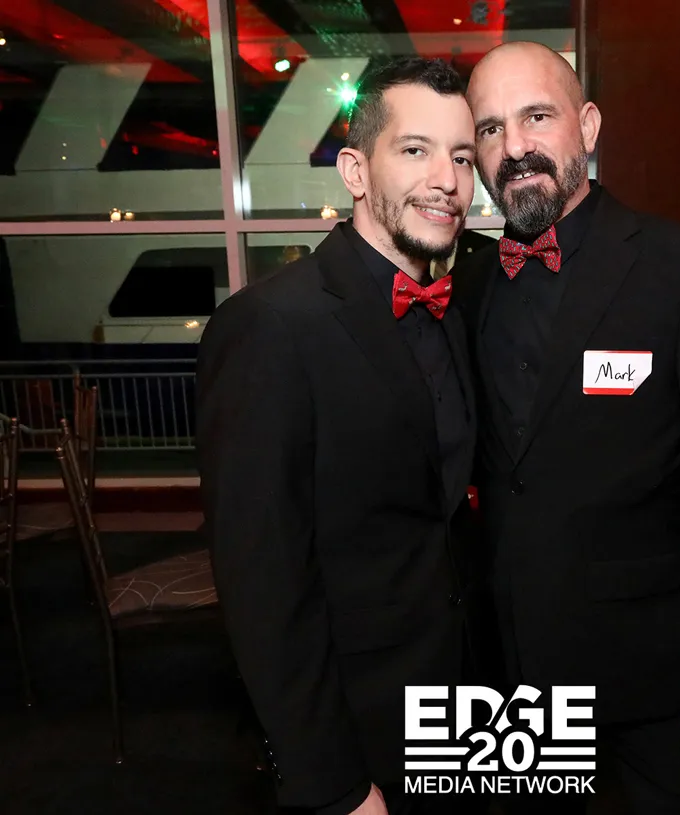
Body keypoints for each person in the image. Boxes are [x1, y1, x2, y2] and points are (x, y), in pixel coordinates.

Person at [452, 42, 680, 814]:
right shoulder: (470, 280)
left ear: (588, 126)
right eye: (491, 128)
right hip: (511, 669)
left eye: (537, 117)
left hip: (658, 673)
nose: (515, 146)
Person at [196, 57, 482, 815]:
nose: (447, 181)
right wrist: (332, 783)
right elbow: (263, 583)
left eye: (461, 157)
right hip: (357, 725)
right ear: (355, 171)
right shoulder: (270, 326)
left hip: (459, 701)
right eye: (415, 150)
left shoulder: (453, 309)